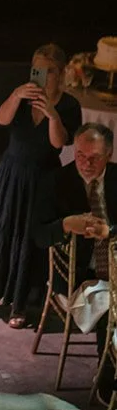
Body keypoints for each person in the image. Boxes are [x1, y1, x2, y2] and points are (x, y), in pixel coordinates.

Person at [0, 42, 81, 330]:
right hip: (11, 174)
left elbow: (58, 143)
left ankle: (21, 302)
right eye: (38, 69)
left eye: (50, 71)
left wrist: (52, 114)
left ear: (61, 74)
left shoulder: (68, 105)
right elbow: (2, 119)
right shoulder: (20, 94)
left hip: (43, 179)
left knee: (29, 238)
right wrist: (16, 95)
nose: (43, 76)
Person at [31, 122, 117, 363]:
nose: (86, 164)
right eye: (80, 155)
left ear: (109, 155)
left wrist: (109, 231)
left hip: (115, 267)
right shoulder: (56, 182)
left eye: (95, 158)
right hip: (78, 277)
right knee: (111, 308)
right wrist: (65, 225)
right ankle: (107, 383)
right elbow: (37, 235)